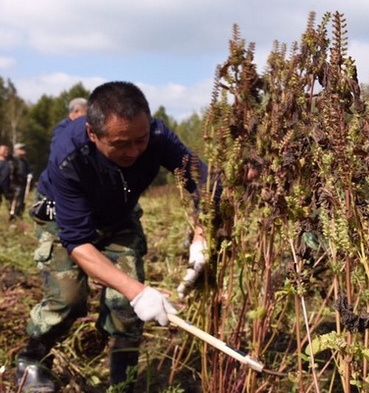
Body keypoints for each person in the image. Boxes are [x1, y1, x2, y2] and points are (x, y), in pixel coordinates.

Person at [15, 81, 217, 392]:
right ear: (93, 134)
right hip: (63, 221)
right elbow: (78, 242)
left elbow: (204, 184)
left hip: (119, 217)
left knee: (125, 307)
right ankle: (32, 361)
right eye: (121, 144)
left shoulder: (159, 137)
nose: (134, 151)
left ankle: (123, 383)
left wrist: (201, 236)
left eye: (141, 140)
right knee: (67, 298)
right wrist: (139, 292)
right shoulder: (69, 154)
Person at [10, 143, 32, 220]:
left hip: (23, 183)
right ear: (16, 150)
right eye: (21, 149)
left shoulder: (24, 161)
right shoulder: (13, 160)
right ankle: (13, 215)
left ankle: (19, 214)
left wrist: (29, 175)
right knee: (15, 199)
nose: (23, 151)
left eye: (23, 149)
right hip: (15, 183)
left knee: (22, 200)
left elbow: (28, 170)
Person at [0, 144, 17, 218]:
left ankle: (12, 218)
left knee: (10, 204)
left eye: (7, 150)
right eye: (4, 150)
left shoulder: (11, 162)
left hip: (8, 186)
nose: (6, 152)